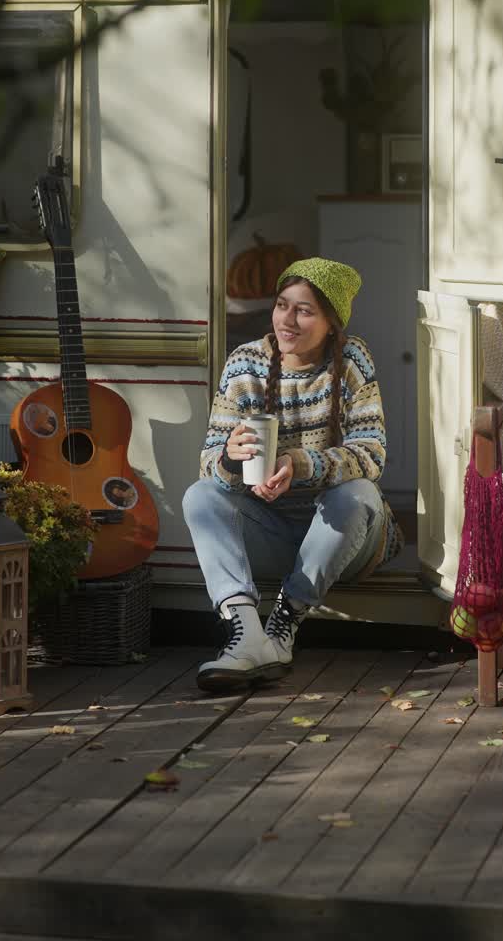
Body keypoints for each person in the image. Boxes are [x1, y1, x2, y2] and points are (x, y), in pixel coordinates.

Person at [183, 256, 404, 691]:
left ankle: (285, 622)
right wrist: (230, 458)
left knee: (358, 492)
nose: (288, 319)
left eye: (304, 310)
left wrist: (300, 464)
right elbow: (210, 461)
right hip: (273, 533)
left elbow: (371, 453)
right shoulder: (246, 363)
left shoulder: (352, 358)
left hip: (344, 539)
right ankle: (246, 633)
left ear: (331, 323)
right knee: (200, 496)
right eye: (282, 305)